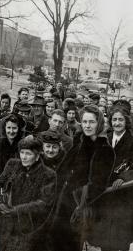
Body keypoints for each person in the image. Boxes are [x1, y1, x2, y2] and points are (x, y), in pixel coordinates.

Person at [51, 105, 115, 251]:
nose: (87, 125)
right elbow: (63, 168)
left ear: (99, 123)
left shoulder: (105, 150)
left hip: (81, 204)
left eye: (91, 122)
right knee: (55, 240)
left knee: (72, 243)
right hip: (64, 199)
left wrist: (79, 198)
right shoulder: (79, 142)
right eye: (85, 122)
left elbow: (98, 184)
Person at [91, 105, 133, 251]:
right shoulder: (103, 140)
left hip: (123, 197)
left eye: (120, 120)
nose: (117, 123)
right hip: (104, 195)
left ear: (127, 121)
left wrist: (124, 178)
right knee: (104, 239)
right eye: (114, 119)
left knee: (120, 239)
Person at [0, 136, 56, 251]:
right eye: (22, 152)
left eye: (28, 154)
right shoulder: (12, 165)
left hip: (26, 227)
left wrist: (17, 210)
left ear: (38, 156)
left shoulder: (48, 175)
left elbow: (44, 203)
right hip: (4, 223)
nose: (23, 157)